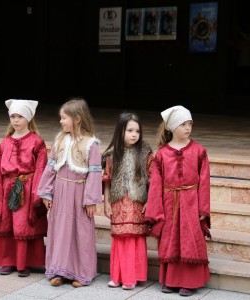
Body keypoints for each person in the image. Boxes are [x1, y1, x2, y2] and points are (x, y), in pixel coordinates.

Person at [144, 105, 211, 297]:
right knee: (170, 239)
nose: (188, 128)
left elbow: (204, 181)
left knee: (190, 239)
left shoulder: (199, 151)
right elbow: (156, 184)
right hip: (169, 203)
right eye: (183, 124)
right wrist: (156, 209)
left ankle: (190, 282)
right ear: (172, 127)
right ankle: (171, 280)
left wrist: (203, 208)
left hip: (191, 201)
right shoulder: (162, 154)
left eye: (190, 123)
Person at [37, 97, 103, 287]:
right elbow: (51, 167)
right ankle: (59, 270)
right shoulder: (59, 140)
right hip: (60, 191)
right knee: (60, 231)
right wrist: (46, 192)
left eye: (64, 118)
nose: (61, 121)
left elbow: (95, 172)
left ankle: (80, 273)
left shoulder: (91, 144)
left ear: (77, 119)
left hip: (79, 193)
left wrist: (91, 199)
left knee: (79, 232)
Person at [0, 99, 48, 277]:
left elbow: (41, 169)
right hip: (7, 188)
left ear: (28, 118)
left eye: (20, 116)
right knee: (8, 223)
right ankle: (7, 260)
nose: (16, 120)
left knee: (23, 224)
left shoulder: (37, 142)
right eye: (13, 116)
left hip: (27, 189)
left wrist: (37, 193)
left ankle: (24, 262)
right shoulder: (5, 143)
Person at [101, 112, 153, 290]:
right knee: (119, 238)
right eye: (130, 130)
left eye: (137, 131)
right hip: (118, 200)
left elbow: (153, 180)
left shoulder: (145, 152)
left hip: (138, 201)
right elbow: (106, 179)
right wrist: (106, 202)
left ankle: (131, 277)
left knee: (134, 237)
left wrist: (150, 202)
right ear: (120, 130)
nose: (134, 134)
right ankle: (117, 276)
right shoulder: (111, 154)